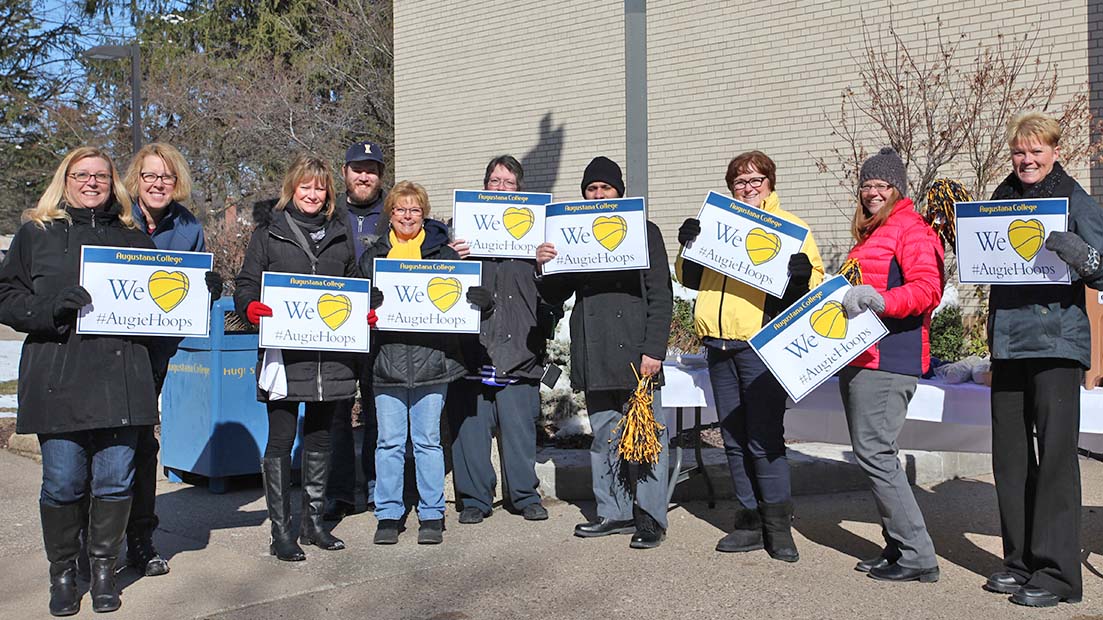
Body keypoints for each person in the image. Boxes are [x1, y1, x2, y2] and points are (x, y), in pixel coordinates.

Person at [0, 146, 160, 615]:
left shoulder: (133, 237)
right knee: (64, 482)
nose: (92, 183)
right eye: (81, 174)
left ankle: (105, 568)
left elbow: (159, 303)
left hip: (122, 379)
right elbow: (5, 295)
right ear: (65, 180)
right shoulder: (37, 233)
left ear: (114, 184)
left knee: (115, 481)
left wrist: (195, 294)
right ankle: (64, 572)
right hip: (59, 375)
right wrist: (47, 309)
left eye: (101, 177)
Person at [674, 150, 824, 561]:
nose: (748, 187)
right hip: (718, 345)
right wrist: (687, 244)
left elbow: (812, 288)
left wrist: (800, 275)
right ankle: (750, 520)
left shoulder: (791, 228)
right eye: (740, 181)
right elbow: (688, 278)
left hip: (760, 346)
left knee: (764, 438)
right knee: (734, 438)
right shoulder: (718, 225)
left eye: (756, 179)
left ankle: (779, 527)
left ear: (770, 183)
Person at [983, 112, 1103, 608]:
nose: (1027, 160)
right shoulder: (999, 200)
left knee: (1055, 460)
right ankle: (1021, 562)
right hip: (1009, 343)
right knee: (1010, 461)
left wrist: (1081, 253)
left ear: (1055, 152)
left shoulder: (1074, 199)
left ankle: (1058, 576)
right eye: (1019, 151)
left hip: (1056, 345)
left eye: (1036, 151)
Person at [535, 156, 673, 549]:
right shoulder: (572, 234)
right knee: (605, 438)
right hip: (594, 350)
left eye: (605, 188)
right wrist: (543, 266)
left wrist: (654, 350)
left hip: (637, 353)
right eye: (591, 189)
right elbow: (556, 294)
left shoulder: (645, 232)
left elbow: (661, 294)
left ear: (619, 192)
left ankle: (650, 518)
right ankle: (613, 512)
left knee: (645, 438)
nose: (598, 194)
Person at [234, 154, 359, 561]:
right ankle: (280, 531)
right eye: (305, 186)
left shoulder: (340, 232)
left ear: (328, 193)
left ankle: (313, 523)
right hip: (285, 355)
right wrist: (251, 307)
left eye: (320, 187)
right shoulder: (269, 233)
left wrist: (365, 307)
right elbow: (246, 284)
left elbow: (355, 281)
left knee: (322, 437)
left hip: (330, 355)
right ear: (292, 189)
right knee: (282, 438)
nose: (312, 193)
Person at [358, 181, 491, 545]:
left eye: (415, 209)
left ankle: (432, 512)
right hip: (387, 362)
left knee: (428, 441)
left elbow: (468, 303)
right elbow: (356, 308)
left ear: (424, 214)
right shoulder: (373, 257)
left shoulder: (443, 256)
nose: (407, 216)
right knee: (389, 442)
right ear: (390, 212)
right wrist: (364, 302)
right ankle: (388, 513)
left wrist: (484, 301)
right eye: (400, 209)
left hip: (433, 362)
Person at [838, 147, 943, 583]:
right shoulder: (869, 234)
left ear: (896, 188)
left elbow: (928, 289)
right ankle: (897, 545)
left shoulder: (910, 229)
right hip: (862, 357)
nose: (872, 193)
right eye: (866, 186)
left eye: (881, 185)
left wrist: (882, 300)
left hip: (890, 358)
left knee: (876, 454)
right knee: (874, 454)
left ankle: (917, 554)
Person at [121, 142, 222, 576]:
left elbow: (186, 297)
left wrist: (207, 291)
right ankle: (95, 540)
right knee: (106, 451)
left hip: (154, 358)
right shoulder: (116, 216)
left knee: (143, 447)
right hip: (106, 355)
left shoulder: (188, 227)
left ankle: (141, 540)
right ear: (135, 180)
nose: (158, 183)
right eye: (149, 176)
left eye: (166, 176)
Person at [448, 155, 551, 524]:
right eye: (494, 181)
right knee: (471, 430)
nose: (501, 187)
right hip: (471, 348)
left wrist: (545, 266)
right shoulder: (460, 229)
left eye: (508, 182)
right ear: (485, 186)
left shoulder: (540, 231)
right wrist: (453, 257)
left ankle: (524, 495)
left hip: (520, 344)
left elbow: (553, 292)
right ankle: (475, 498)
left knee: (519, 430)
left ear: (519, 189)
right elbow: (441, 284)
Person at [323, 140, 389, 521]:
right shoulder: (330, 215)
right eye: (357, 168)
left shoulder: (394, 215)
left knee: (380, 413)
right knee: (336, 413)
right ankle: (341, 493)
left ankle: (381, 488)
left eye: (372, 169)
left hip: (380, 332)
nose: (364, 175)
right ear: (344, 173)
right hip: (338, 328)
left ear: (381, 175)